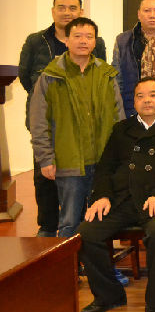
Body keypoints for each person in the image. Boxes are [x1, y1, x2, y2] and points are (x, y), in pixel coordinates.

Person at [77, 77, 155, 312]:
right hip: (123, 200)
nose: (147, 100)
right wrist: (102, 196)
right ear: (134, 101)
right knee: (87, 232)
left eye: (153, 95)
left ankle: (154, 300)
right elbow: (105, 168)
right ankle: (109, 295)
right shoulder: (122, 129)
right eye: (140, 96)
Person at [18, 0, 107, 237]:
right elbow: (25, 77)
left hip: (85, 129)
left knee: (82, 183)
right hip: (49, 123)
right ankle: (48, 229)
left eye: (72, 8)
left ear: (81, 11)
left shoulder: (97, 44)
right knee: (45, 178)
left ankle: (80, 233)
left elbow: (99, 77)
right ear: (53, 11)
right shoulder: (36, 41)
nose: (67, 12)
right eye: (62, 7)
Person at [29, 17, 125, 237]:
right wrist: (45, 158)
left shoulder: (106, 74)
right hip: (68, 163)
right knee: (69, 222)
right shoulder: (50, 76)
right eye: (78, 36)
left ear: (95, 41)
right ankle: (69, 260)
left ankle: (95, 260)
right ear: (66, 40)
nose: (83, 41)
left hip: (102, 161)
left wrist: (118, 157)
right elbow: (39, 122)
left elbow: (118, 117)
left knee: (101, 220)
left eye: (89, 36)